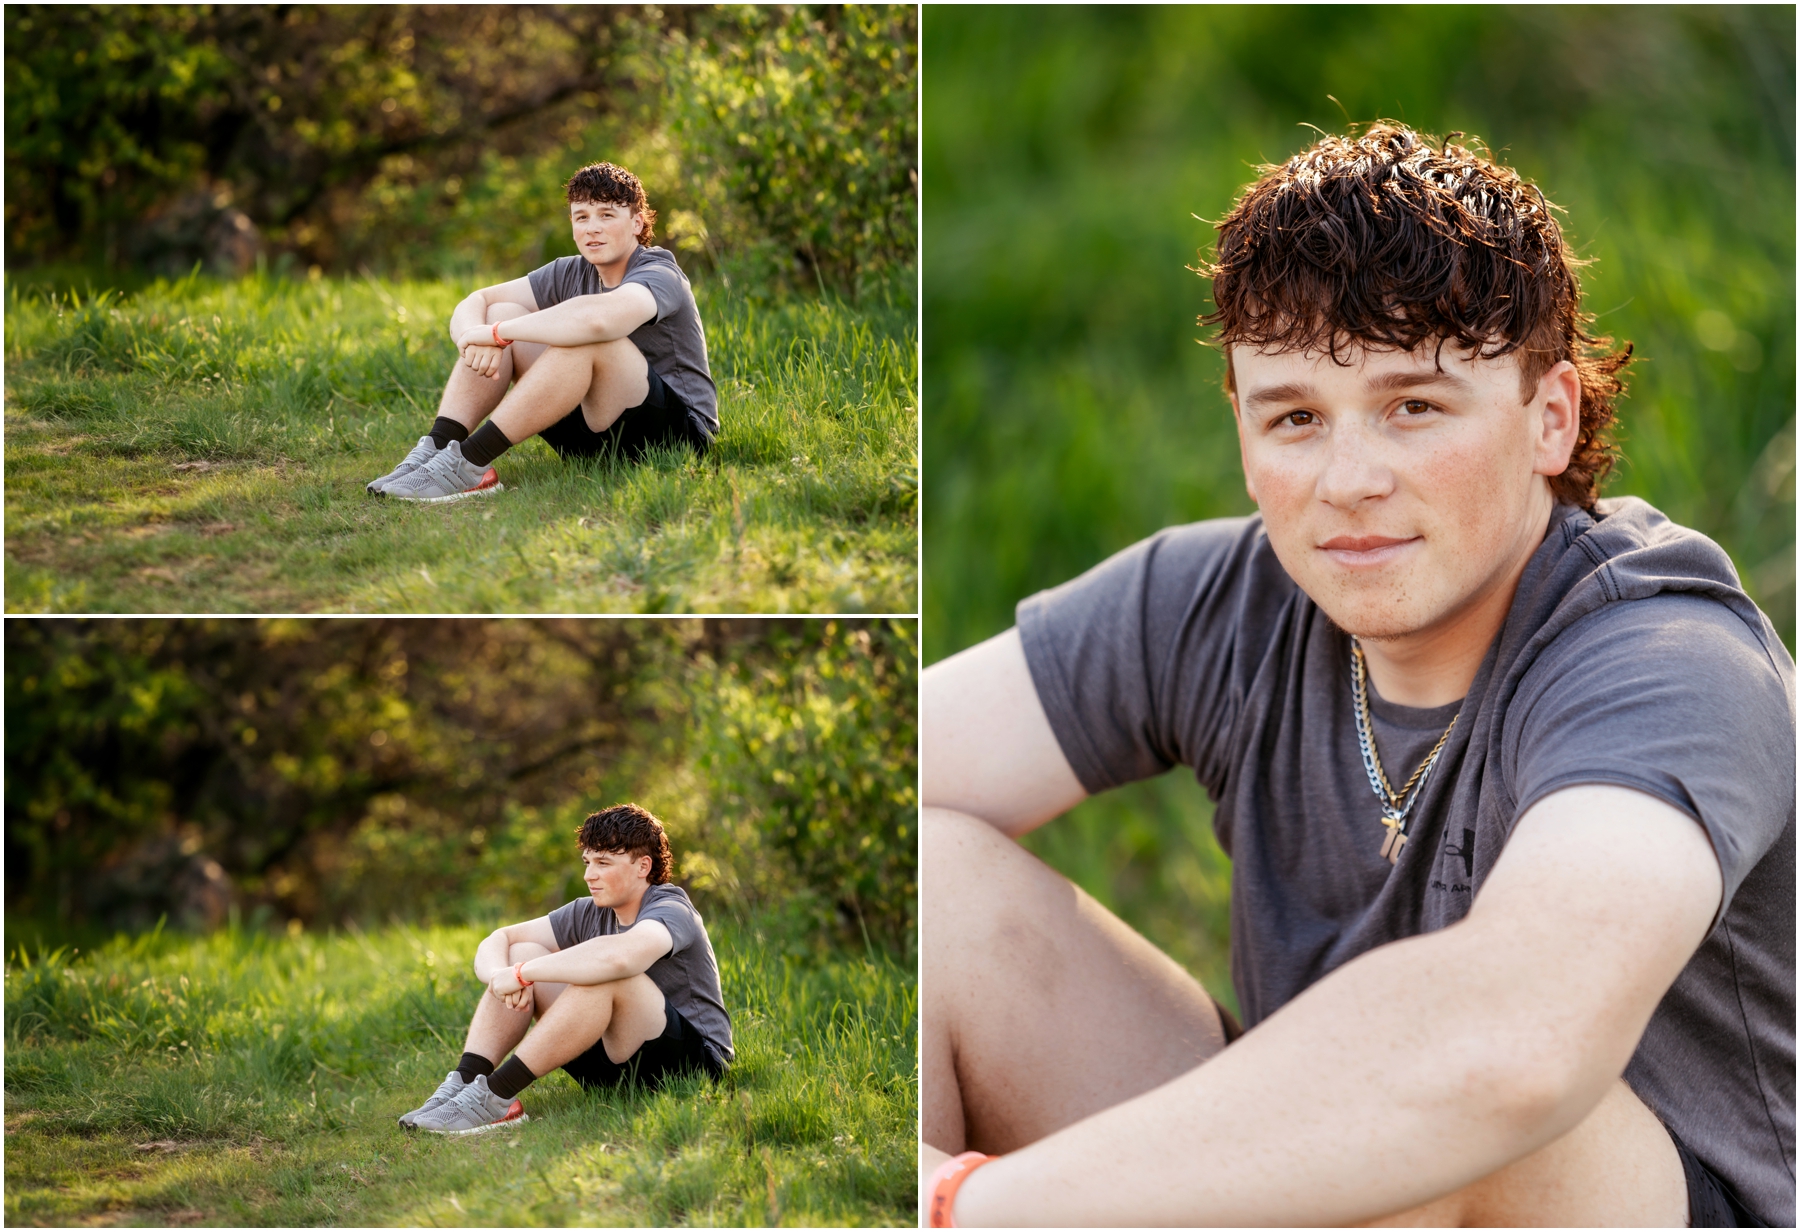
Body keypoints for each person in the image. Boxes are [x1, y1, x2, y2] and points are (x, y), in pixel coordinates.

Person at [920, 125, 1793, 1227]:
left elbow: (1512, 1049)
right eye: (1294, 418)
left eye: (1413, 406)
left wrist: (968, 1203)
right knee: (934, 885)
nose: (1347, 481)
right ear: (1242, 432)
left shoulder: (1668, 658)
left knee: (1466, 1095)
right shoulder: (1227, 601)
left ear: (1551, 418)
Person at [368, 162, 718, 503]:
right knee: (502, 308)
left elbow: (599, 321)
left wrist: (498, 333)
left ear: (636, 223)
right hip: (595, 441)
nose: (592, 228)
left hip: (676, 440)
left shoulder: (660, 272)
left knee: (586, 339)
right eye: (582, 217)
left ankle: (468, 465)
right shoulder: (569, 271)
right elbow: (478, 299)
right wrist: (472, 337)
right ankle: (437, 448)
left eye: (606, 215)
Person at [400, 803, 732, 1134]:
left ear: (642, 866)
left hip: (692, 1069)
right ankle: (463, 1084)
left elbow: (619, 958)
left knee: (608, 976)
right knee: (521, 949)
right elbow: (499, 938)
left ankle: (494, 1098)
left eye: (603, 863)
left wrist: (522, 974)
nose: (589, 875)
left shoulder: (672, 908)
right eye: (587, 862)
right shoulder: (587, 912)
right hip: (616, 1071)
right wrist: (502, 977)